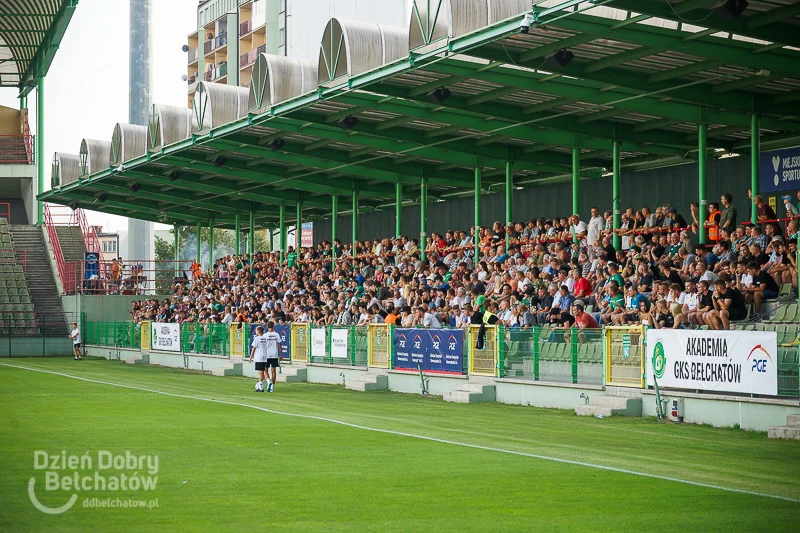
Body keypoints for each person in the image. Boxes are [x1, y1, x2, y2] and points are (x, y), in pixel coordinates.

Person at [248, 323, 283, 393]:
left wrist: (251, 356)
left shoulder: (264, 336)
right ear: (273, 326)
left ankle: (268, 382)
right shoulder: (277, 334)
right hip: (274, 355)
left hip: (266, 355)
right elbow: (280, 345)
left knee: (265, 371)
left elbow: (259, 346)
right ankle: (272, 386)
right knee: (273, 372)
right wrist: (281, 354)